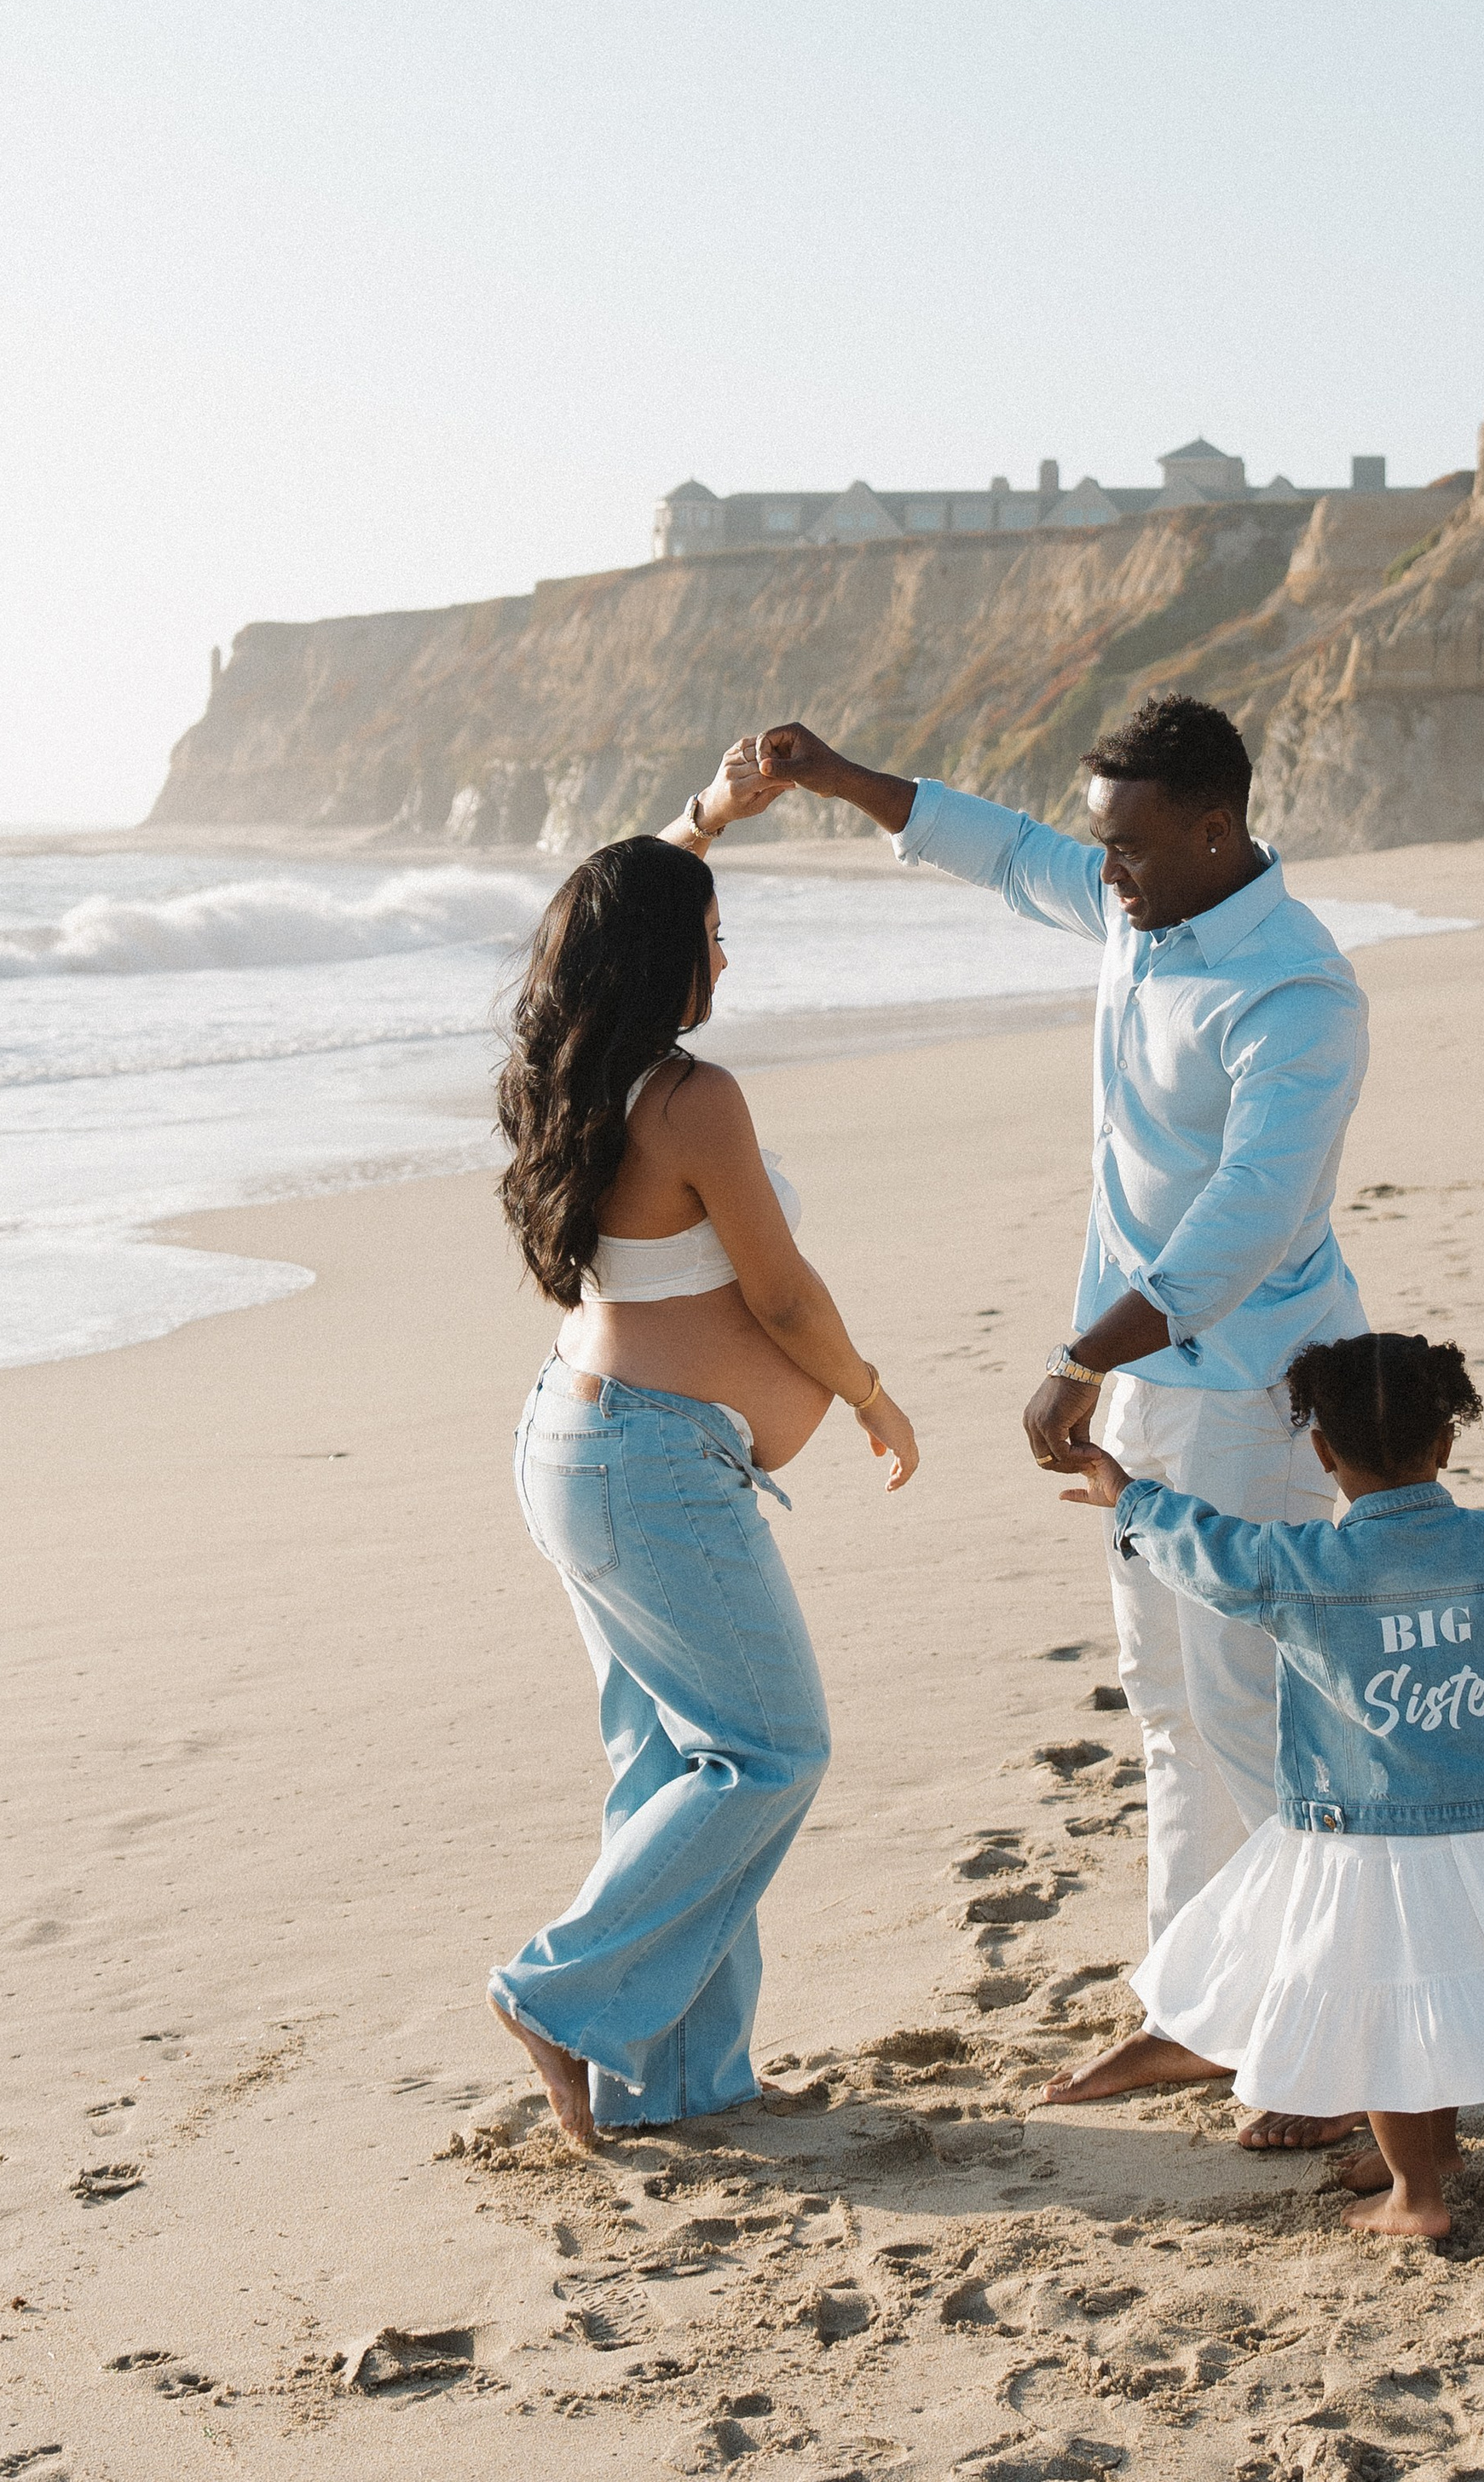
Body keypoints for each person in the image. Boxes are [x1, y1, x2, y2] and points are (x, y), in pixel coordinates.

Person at [751, 696, 1371, 2137]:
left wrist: (1079, 1359)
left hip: (1251, 1393)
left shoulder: (1298, 993)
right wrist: (841, 777)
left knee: (1251, 1714)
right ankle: (1197, 2010)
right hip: (1146, 1382)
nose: (1107, 874)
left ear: (1216, 831)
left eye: (1135, 848)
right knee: (1167, 1708)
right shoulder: (1134, 904)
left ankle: (1324, 2048)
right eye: (1106, 847)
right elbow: (1007, 849)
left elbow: (1247, 1225)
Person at [488, 742, 921, 2147]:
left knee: (676, 1765)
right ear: (664, 960)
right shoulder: (691, 1098)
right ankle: (563, 1993)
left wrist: (709, 819)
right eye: (712, 939)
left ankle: (681, 2082)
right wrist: (865, 1392)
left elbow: (622, 899)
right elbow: (781, 1293)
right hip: (645, 1465)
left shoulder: (575, 1075)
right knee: (771, 1749)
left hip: (586, 1443)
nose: (723, 960)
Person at [1060, 1330, 1484, 2239]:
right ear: (1445, 1445)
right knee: (1439, 1987)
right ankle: (1431, 2156)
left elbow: (1207, 1551)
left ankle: (1415, 2199)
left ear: (1321, 1450)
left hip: (1367, 1832)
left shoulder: (1304, 1563)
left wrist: (1129, 1495)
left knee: (1385, 2009)